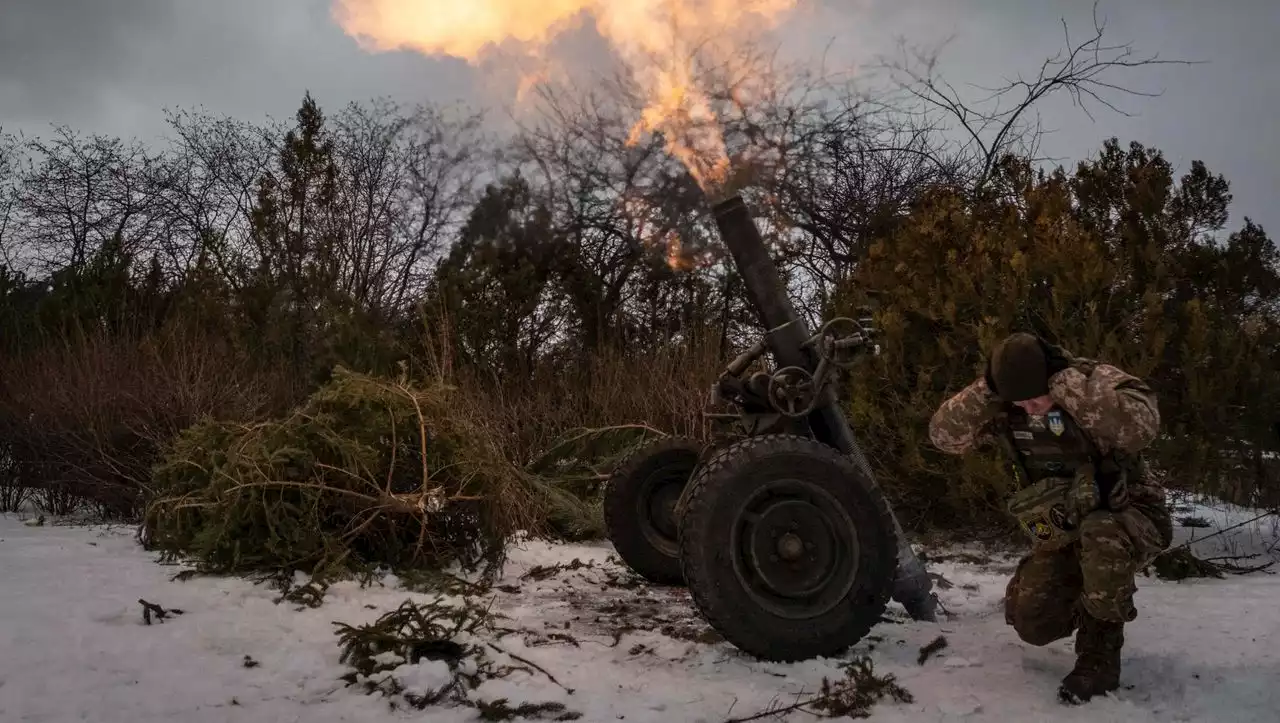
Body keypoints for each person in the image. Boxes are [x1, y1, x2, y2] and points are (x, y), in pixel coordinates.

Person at [928, 332, 1173, 704]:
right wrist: (988, 389)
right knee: (1032, 622)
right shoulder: (1008, 405)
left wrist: (1066, 386)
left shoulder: (1091, 380)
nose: (1030, 409)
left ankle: (1099, 655)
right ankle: (1094, 593)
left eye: (1035, 397)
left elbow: (1141, 428)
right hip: (1064, 528)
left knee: (1101, 534)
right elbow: (944, 437)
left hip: (1131, 516)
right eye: (1020, 401)